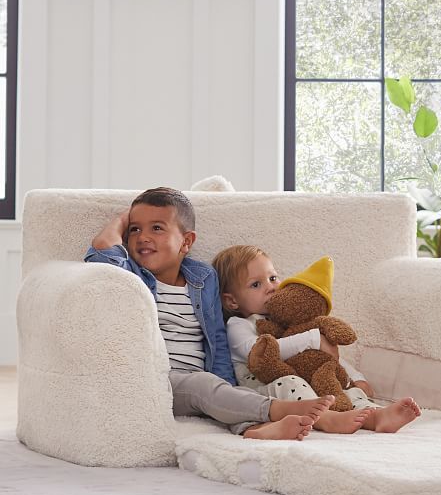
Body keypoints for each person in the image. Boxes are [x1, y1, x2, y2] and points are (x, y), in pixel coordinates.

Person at [85, 187, 336, 440]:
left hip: (201, 380)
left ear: (186, 241)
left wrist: (227, 383)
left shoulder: (203, 279)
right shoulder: (131, 276)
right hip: (157, 382)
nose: (142, 237)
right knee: (205, 387)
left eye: (157, 228)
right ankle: (275, 410)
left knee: (224, 392)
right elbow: (102, 256)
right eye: (135, 229)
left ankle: (255, 429)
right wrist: (120, 220)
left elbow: (216, 339)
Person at [212, 245, 421, 434]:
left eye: (273, 278)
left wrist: (355, 376)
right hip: (266, 388)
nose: (271, 287)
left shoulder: (288, 320)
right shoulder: (239, 326)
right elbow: (258, 351)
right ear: (232, 301)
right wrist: (312, 339)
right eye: (256, 284)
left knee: (343, 386)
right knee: (291, 383)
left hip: (310, 380)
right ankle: (327, 418)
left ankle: (375, 415)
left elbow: (326, 355)